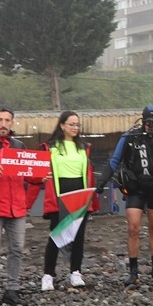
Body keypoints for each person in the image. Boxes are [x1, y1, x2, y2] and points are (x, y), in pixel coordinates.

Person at [0, 106, 43, 306]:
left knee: (17, 249)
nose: (3, 124)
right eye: (0, 120)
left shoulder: (19, 145)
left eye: (7, 120)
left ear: (12, 123)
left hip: (16, 207)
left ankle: (12, 289)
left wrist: (40, 176)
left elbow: (28, 173)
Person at [97, 105, 153, 286]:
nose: (151, 126)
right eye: (148, 122)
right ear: (143, 121)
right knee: (133, 228)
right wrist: (102, 182)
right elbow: (114, 161)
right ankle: (133, 271)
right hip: (135, 189)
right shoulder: (129, 137)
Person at [40, 110, 97, 291]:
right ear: (62, 125)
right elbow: (42, 170)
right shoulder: (51, 147)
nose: (75, 127)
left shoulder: (83, 147)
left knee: (78, 236)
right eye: (71, 124)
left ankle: (75, 272)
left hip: (79, 194)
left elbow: (87, 172)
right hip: (59, 194)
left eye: (77, 125)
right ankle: (48, 275)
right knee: (56, 236)